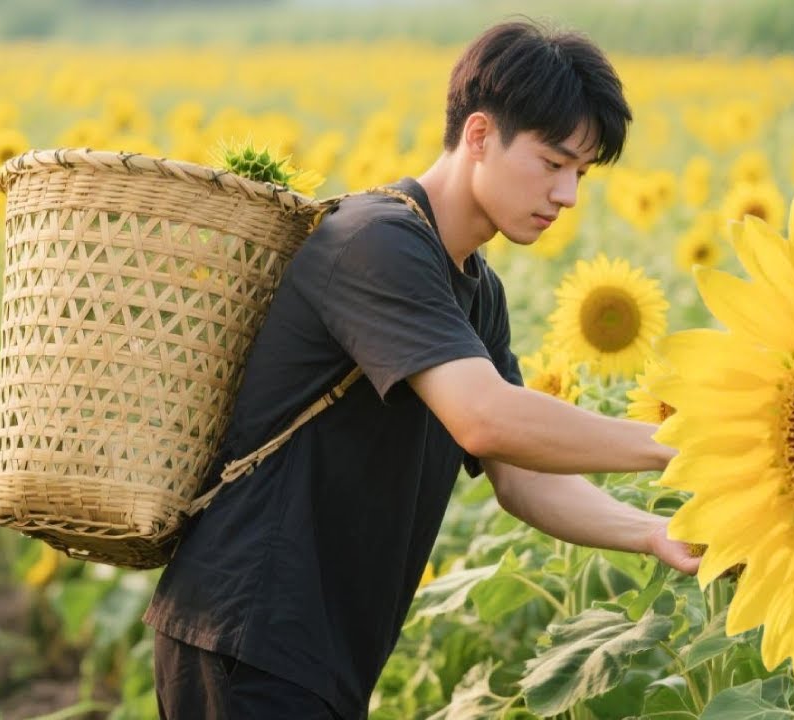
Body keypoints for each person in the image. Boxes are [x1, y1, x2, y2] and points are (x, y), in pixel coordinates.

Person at [143, 19, 700, 720]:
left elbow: (521, 476)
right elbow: (485, 421)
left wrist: (650, 533)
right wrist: (676, 446)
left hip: (314, 647)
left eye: (580, 174)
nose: (568, 196)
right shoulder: (377, 241)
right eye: (552, 163)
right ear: (479, 135)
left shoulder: (477, 290)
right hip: (250, 631)